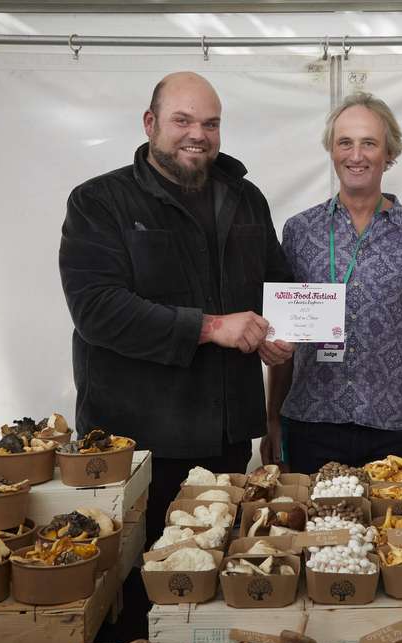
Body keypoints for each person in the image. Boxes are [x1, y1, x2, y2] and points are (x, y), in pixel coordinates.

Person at [59, 71, 293, 544]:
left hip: (227, 438)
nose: (198, 135)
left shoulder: (246, 198)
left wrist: (281, 332)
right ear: (150, 123)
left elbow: (278, 286)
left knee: (215, 573)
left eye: (210, 123)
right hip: (138, 444)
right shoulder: (99, 202)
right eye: (182, 120)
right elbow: (97, 310)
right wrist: (211, 327)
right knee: (138, 578)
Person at [261, 92, 402, 481]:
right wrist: (272, 419)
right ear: (332, 149)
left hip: (395, 425)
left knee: (391, 534)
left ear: (389, 153)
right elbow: (284, 336)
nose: (356, 155)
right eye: (345, 142)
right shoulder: (299, 231)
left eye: (369, 143)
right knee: (316, 535)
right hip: (313, 422)